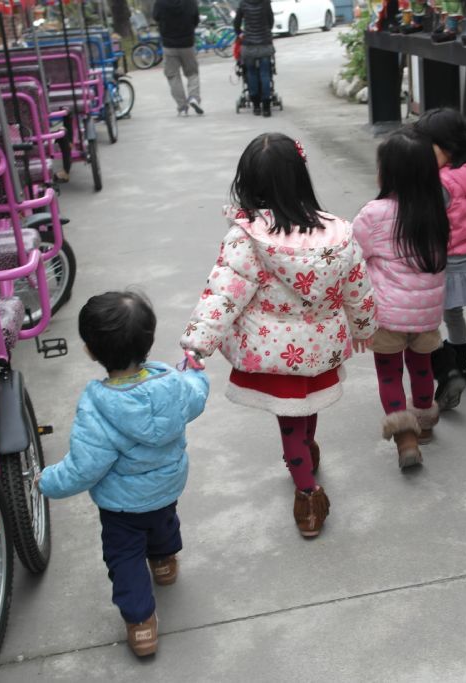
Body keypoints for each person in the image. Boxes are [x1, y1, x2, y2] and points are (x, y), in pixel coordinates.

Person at [181, 133, 376, 538]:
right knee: (308, 405)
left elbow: (224, 294)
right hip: (320, 348)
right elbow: (357, 286)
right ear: (300, 177)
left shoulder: (248, 238)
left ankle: (308, 497)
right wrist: (363, 326)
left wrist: (199, 341)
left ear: (250, 183)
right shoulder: (338, 233)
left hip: (276, 354)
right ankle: (308, 449)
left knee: (289, 423)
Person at [38, 291, 209, 658]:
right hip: (167, 484)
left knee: (125, 559)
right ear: (148, 341)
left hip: (121, 506)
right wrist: (194, 371)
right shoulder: (172, 384)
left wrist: (47, 481)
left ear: (90, 351)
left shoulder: (98, 407)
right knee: (163, 521)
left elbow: (84, 467)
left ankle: (141, 623)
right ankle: (164, 563)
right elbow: (196, 396)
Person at [351, 128, 450, 469]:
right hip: (426, 315)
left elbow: (354, 256)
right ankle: (424, 424)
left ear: (387, 173)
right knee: (421, 367)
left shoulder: (373, 214)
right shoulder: (436, 211)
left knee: (389, 374)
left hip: (388, 315)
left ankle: (405, 438)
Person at [414, 108, 466, 411]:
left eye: (427, 146)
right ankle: (462, 364)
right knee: (453, 315)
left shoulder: (442, 184)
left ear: (447, 146)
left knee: (426, 321)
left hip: (442, 265)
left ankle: (446, 370)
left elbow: (427, 228)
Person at [154, 0, 204, 115]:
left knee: (172, 75)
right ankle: (193, 97)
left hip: (169, 45)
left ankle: (182, 106)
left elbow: (156, 17)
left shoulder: (160, 2)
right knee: (192, 73)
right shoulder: (190, 2)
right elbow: (196, 20)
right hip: (187, 44)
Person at [234, 0, 276, 116]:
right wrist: (265, 32)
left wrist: (240, 33)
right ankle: (266, 107)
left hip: (249, 46)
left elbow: (236, 23)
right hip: (264, 45)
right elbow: (271, 21)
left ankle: (256, 106)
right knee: (265, 73)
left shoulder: (243, 3)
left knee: (251, 73)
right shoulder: (265, 2)